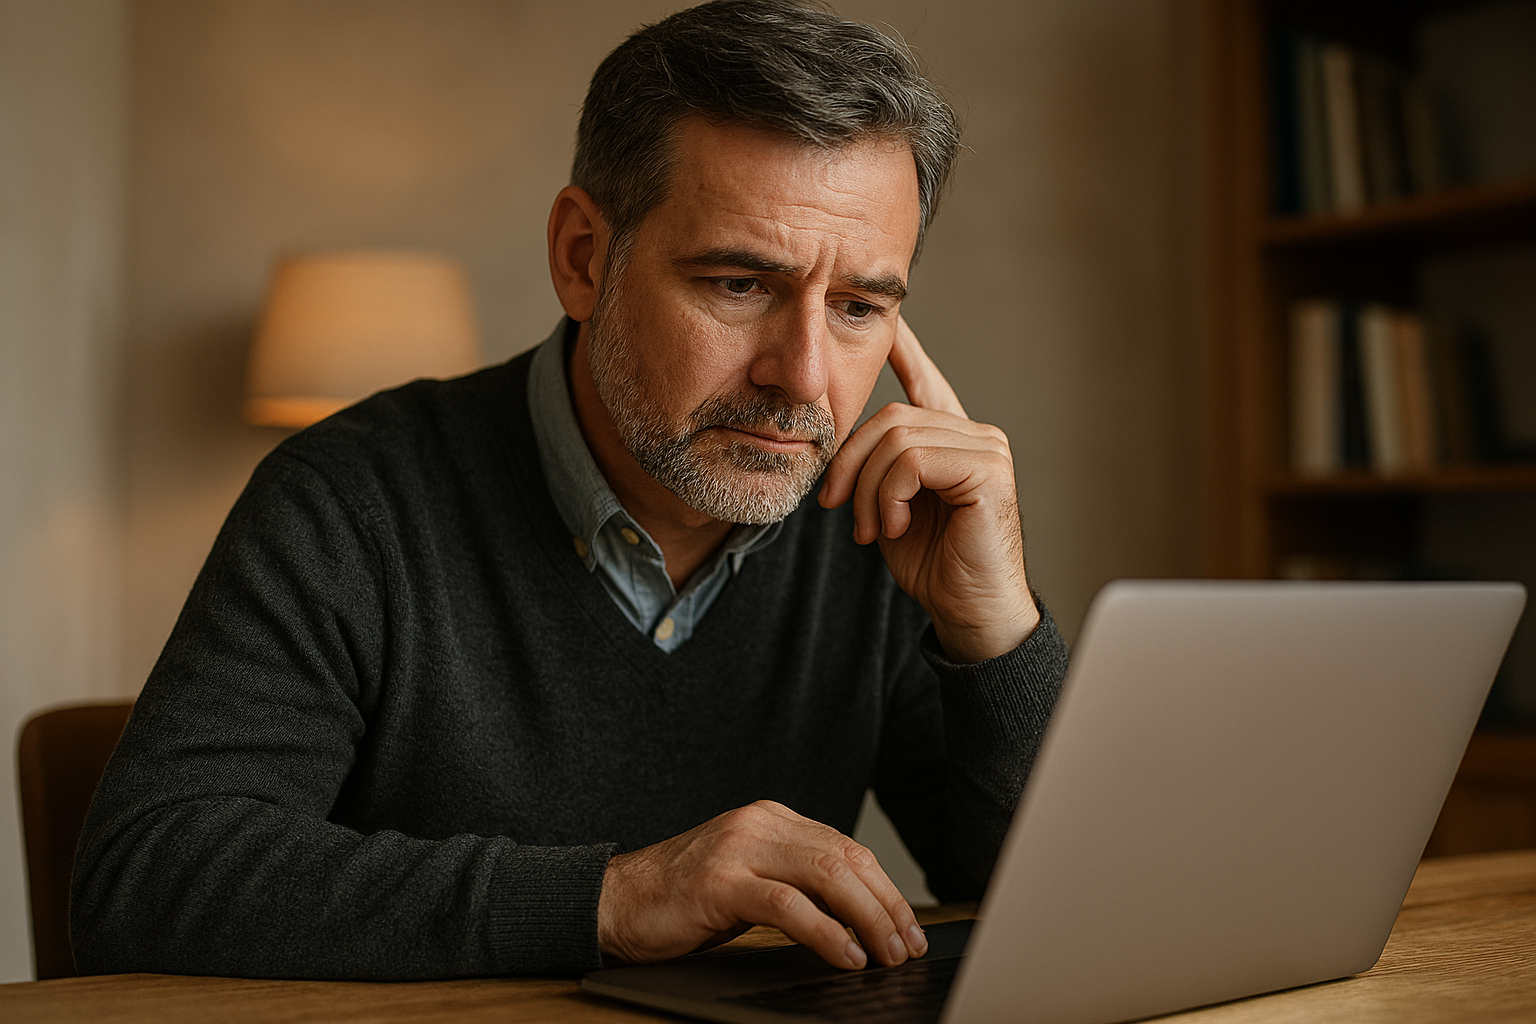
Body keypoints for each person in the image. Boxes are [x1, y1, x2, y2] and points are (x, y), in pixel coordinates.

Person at [72, 0, 1067, 980]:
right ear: (583, 258)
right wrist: (614, 897)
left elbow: (1059, 906)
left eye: (857, 307)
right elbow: (148, 878)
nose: (803, 378)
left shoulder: (882, 525)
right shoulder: (347, 501)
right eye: (738, 284)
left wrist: (996, 629)